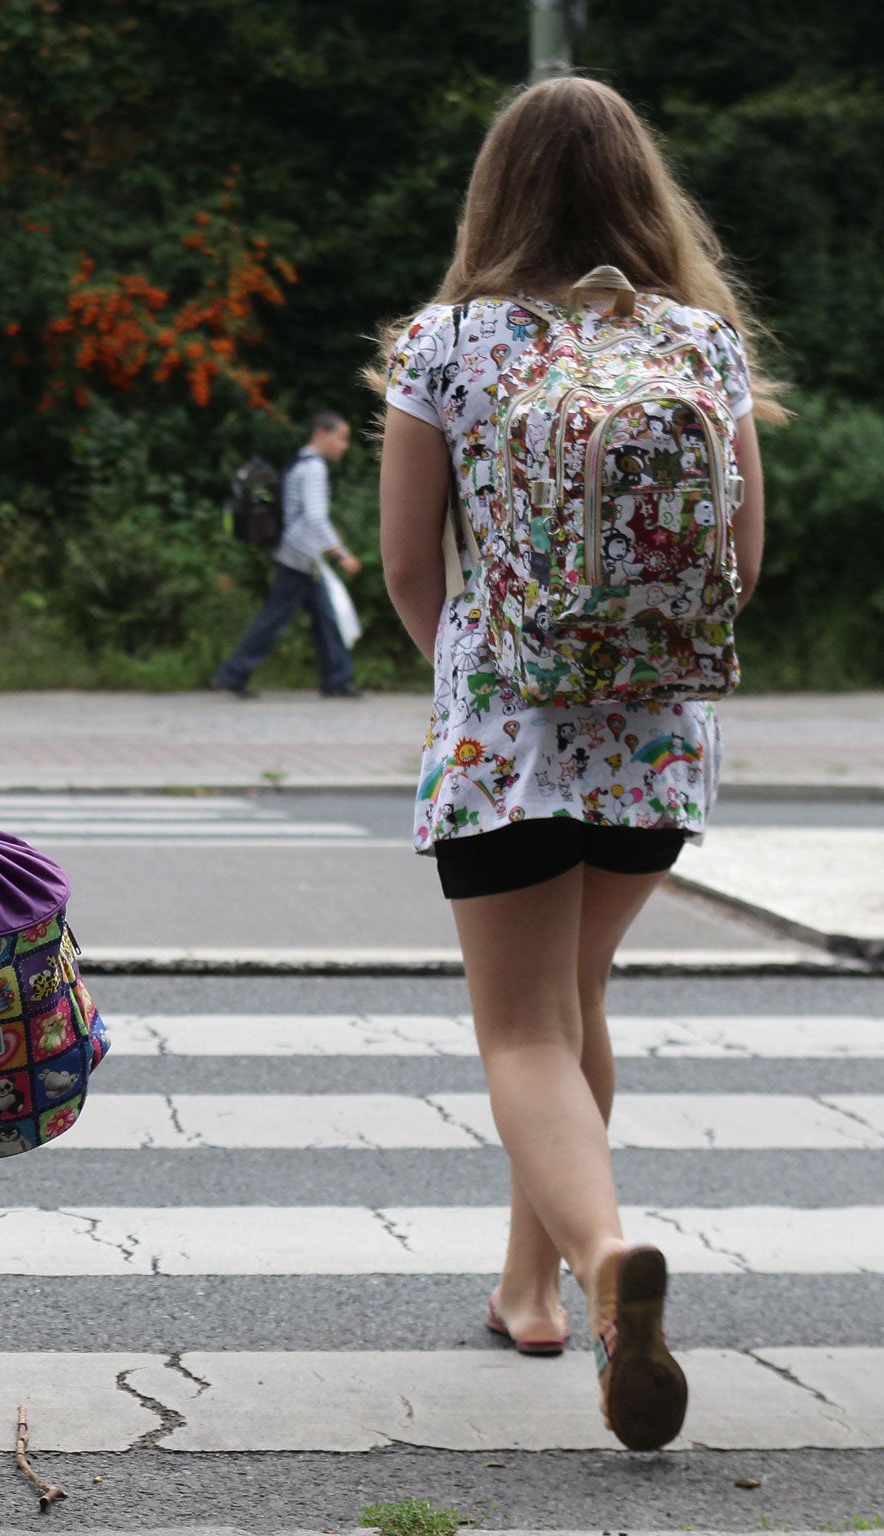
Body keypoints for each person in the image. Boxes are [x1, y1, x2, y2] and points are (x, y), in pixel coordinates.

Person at [377, 76, 772, 1451]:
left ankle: (605, 1266)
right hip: (660, 742)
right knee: (575, 999)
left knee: (524, 1030)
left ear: (499, 191)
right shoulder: (703, 346)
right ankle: (528, 1290)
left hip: (510, 740)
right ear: (641, 189)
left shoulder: (451, 342)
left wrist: (479, 674)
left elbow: (412, 568)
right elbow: (743, 567)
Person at [212, 411, 362, 699]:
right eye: (341, 438)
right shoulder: (314, 468)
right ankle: (233, 673)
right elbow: (316, 517)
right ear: (321, 434)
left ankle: (337, 679)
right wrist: (341, 553)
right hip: (298, 555)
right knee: (277, 618)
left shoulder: (300, 462)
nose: (344, 446)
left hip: (300, 554)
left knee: (325, 616)